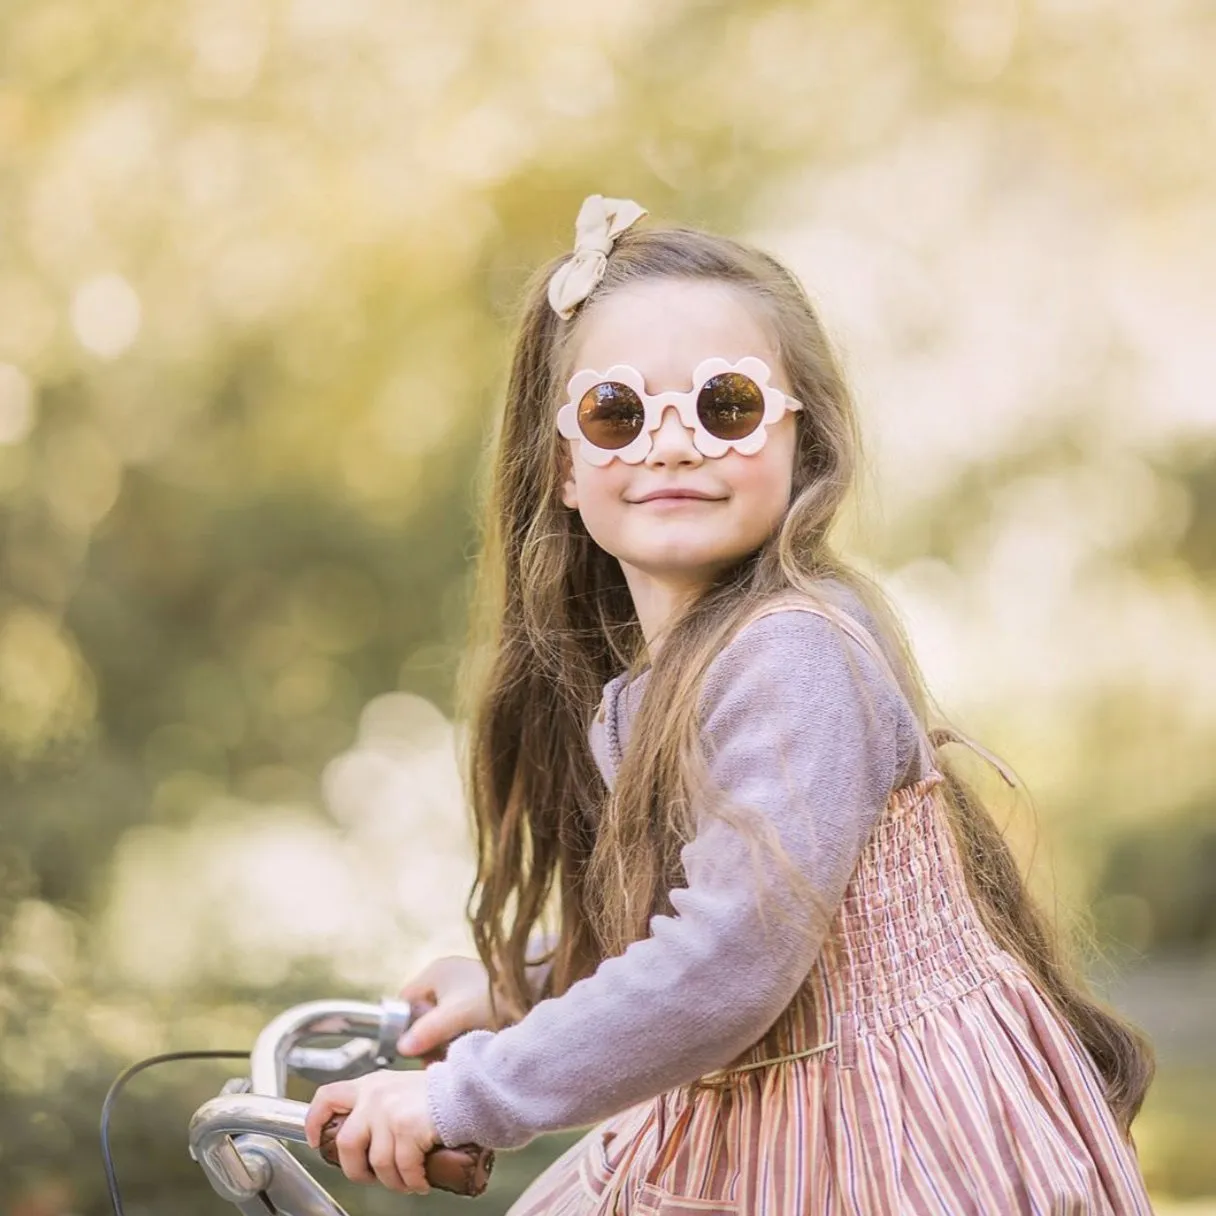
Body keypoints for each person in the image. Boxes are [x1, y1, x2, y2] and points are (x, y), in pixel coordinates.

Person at [305, 195, 1155, 1213]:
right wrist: (520, 984)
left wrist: (468, 1093)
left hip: (875, 1143)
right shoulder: (672, 679)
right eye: (617, 412)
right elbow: (702, 914)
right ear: (564, 465)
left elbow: (729, 956)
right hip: (769, 1109)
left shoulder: (792, 651)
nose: (670, 444)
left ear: (807, 442)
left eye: (726, 405)